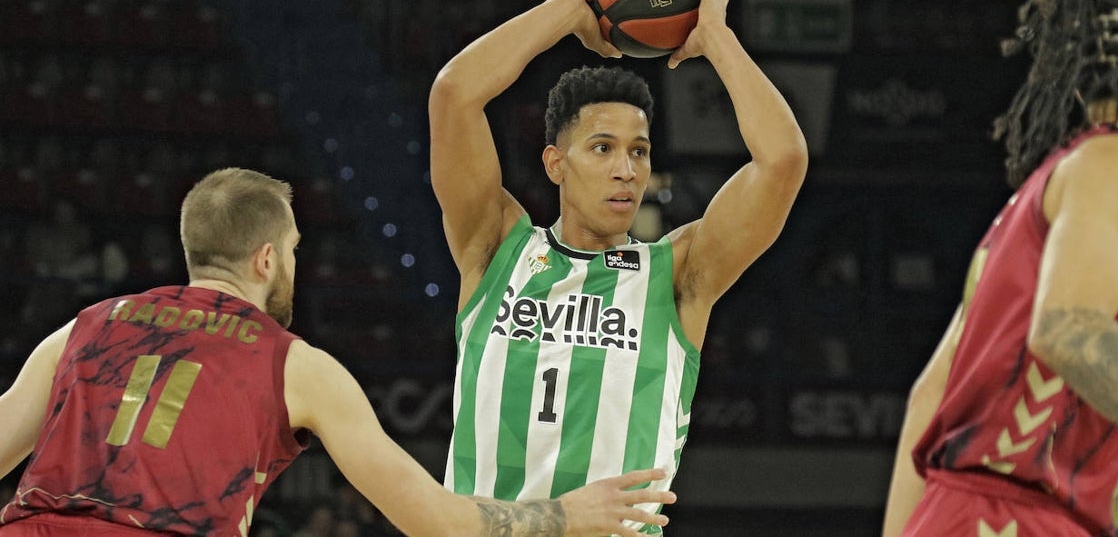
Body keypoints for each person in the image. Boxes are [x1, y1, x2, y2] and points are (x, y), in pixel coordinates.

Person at [0, 168, 675, 537]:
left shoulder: (84, 327)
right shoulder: (294, 364)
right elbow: (434, 520)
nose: (296, 264)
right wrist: (566, 514)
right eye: (294, 251)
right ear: (267, 257)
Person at [428, 0, 807, 533]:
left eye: (639, 152)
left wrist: (715, 38)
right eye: (602, 148)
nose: (626, 170)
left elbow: (782, 160)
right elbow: (454, 94)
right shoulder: (496, 247)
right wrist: (566, 9)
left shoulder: (677, 274)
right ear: (555, 162)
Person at [881, 0, 1118, 536]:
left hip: (953, 513)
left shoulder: (1043, 194)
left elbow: (928, 394)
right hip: (1014, 518)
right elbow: (1066, 327)